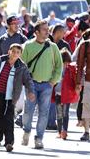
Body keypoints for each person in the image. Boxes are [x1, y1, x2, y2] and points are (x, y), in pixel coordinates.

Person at [21, 20, 63, 149]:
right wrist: (27, 84)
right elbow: (22, 67)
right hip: (31, 84)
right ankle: (26, 131)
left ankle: (39, 138)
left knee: (44, 113)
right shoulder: (27, 46)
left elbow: (59, 65)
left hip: (46, 85)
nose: (47, 32)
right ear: (36, 32)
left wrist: (53, 81)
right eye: (44, 29)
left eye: (47, 29)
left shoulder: (53, 47)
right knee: (28, 111)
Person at [0, 44, 35, 152]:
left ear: (20, 54)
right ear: (9, 51)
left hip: (11, 96)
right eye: (13, 51)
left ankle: (9, 143)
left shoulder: (21, 66)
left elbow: (28, 80)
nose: (15, 54)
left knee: (8, 119)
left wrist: (31, 91)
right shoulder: (0, 60)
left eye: (18, 52)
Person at [54, 49, 78, 140]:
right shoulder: (56, 68)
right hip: (58, 93)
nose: (65, 64)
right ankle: (60, 131)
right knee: (59, 113)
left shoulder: (70, 69)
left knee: (65, 113)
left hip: (66, 94)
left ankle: (64, 131)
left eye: (66, 62)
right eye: (63, 62)